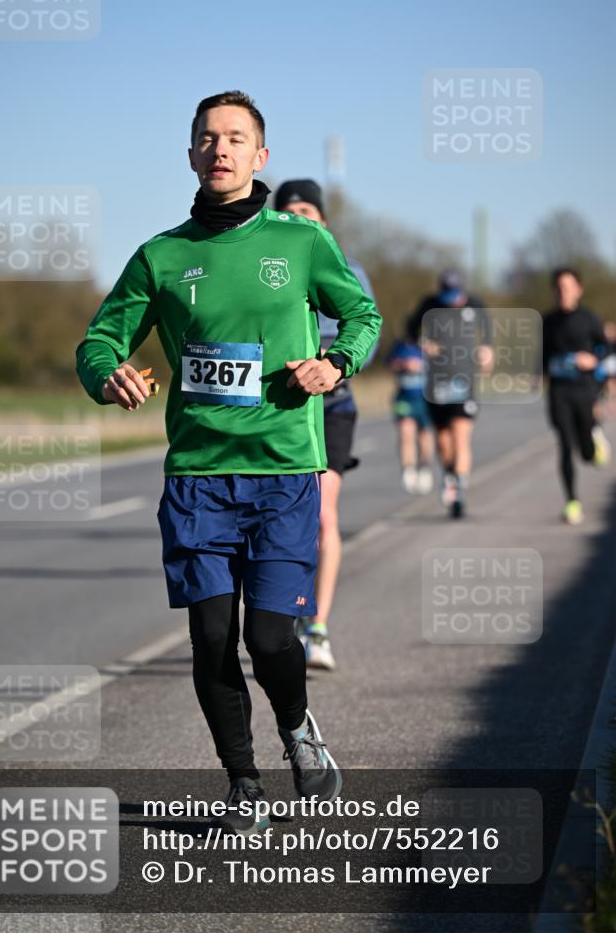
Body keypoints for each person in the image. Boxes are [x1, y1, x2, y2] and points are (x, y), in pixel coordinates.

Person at [76, 92, 381, 831]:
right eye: (208, 138)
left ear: (259, 156)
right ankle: (243, 782)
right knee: (212, 636)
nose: (221, 149)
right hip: (198, 479)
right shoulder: (161, 255)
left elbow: (363, 316)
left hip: (282, 474)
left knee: (269, 637)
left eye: (235, 138)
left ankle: (298, 731)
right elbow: (97, 343)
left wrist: (335, 363)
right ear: (190, 155)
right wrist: (107, 374)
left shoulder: (302, 244)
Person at [273, 179, 378, 672]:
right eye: (290, 211)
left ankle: (317, 625)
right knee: (283, 521)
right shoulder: (267, 267)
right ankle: (284, 616)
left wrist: (333, 361)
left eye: (308, 210)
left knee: (321, 515)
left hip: (333, 404)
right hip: (281, 409)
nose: (300, 218)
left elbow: (367, 330)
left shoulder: (347, 268)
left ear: (324, 220)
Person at [406, 269, 493, 518]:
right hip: (436, 382)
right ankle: (449, 475)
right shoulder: (429, 305)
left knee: (461, 435)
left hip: (464, 379)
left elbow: (487, 330)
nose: (453, 302)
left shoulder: (475, 303)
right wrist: (424, 344)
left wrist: (487, 350)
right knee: (443, 440)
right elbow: (411, 332)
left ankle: (459, 490)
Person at [542, 266, 611, 525]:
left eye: (568, 287)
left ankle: (593, 440)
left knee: (586, 453)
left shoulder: (589, 319)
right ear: (554, 291)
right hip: (559, 391)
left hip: (584, 388)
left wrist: (593, 359)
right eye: (559, 288)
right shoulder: (547, 322)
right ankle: (572, 501)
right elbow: (540, 354)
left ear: (578, 290)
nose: (563, 293)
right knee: (564, 446)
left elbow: (607, 349)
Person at [387, 338, 434, 494]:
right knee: (406, 433)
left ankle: (425, 467)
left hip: (426, 399)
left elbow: (447, 365)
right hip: (404, 398)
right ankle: (409, 470)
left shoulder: (432, 344)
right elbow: (390, 364)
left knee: (424, 436)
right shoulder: (401, 345)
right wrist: (404, 365)